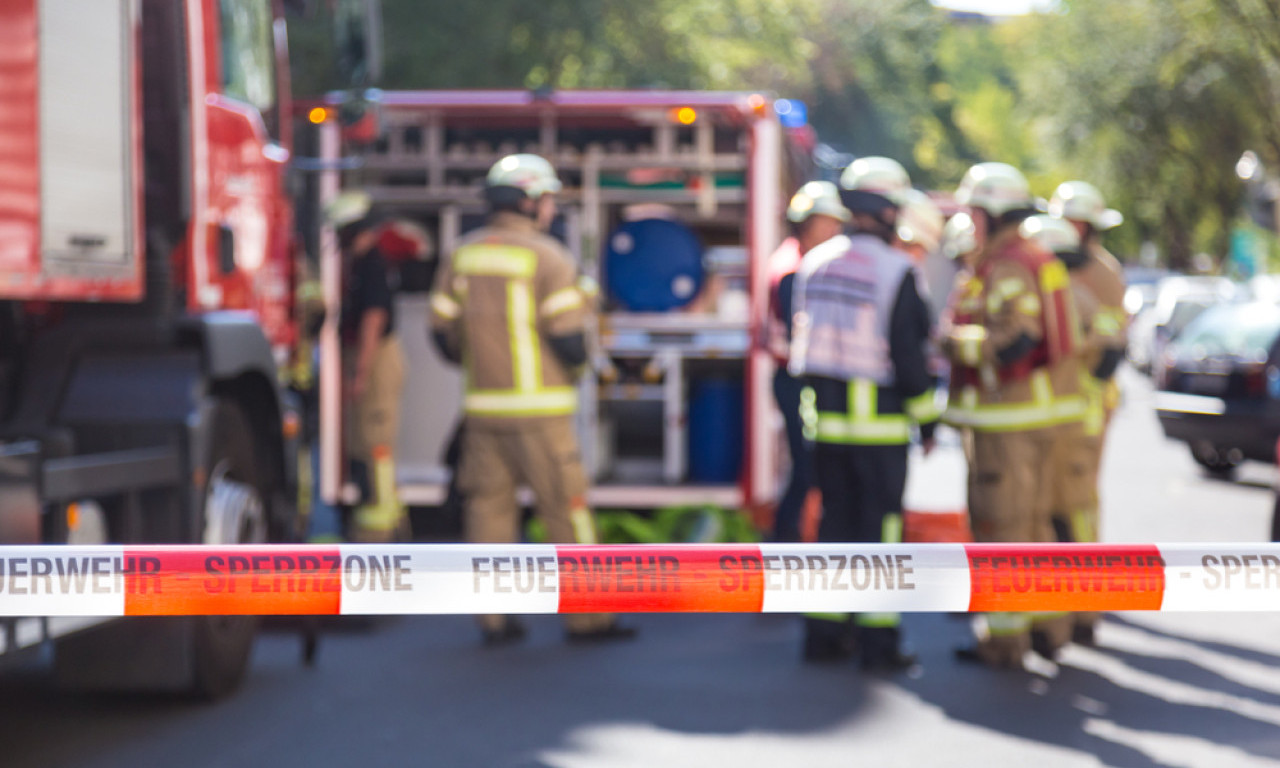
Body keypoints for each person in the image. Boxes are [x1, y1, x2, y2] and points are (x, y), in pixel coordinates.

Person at [429, 153, 634, 646]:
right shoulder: (549, 257)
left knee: (489, 513)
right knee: (567, 511)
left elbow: (441, 333)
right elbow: (568, 339)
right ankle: (590, 619)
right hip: (542, 413)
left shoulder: (461, 255)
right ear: (527, 201)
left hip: (483, 411)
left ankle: (494, 619)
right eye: (546, 199)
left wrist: (482, 366)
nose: (551, 209)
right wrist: (581, 369)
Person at [790, 157, 939, 670]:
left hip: (826, 429)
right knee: (881, 533)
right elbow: (910, 358)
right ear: (888, 210)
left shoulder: (814, 263)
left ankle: (824, 634)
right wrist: (928, 420)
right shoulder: (897, 271)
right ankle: (878, 642)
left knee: (834, 527)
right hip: (880, 430)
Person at [941, 163, 1082, 668]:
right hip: (1034, 419)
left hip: (1007, 422)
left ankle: (1004, 642)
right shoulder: (1033, 257)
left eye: (975, 211)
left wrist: (952, 342)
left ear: (995, 213)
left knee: (1001, 529)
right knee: (1036, 528)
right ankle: (1047, 626)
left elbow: (1018, 337)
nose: (970, 220)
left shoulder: (1008, 265)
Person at [1047, 180, 1129, 645]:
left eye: (1075, 222)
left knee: (1078, 505)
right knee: (1063, 505)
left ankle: (1084, 605)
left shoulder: (1101, 272)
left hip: (1088, 404)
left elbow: (1110, 345)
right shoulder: (1061, 262)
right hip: (1069, 403)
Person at [763, 181, 850, 542]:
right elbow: (802, 328)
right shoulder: (794, 269)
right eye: (829, 222)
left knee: (807, 466)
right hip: (794, 378)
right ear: (807, 223)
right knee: (806, 467)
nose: (835, 230)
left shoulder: (795, 259)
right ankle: (784, 543)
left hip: (794, 376)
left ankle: (790, 540)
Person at [331, 191, 408, 543]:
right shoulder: (365, 261)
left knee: (375, 445)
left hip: (375, 359)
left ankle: (377, 535)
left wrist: (360, 372)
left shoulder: (372, 263)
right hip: (371, 357)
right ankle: (387, 525)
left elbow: (373, 319)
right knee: (367, 443)